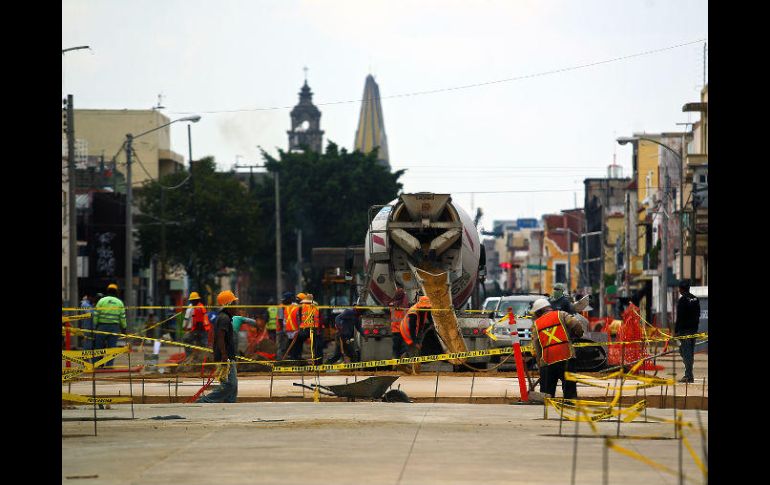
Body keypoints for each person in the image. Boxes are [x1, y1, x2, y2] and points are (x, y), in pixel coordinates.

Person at [529, 298, 584, 400]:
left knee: (547, 396)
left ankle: (548, 413)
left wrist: (541, 366)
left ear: (538, 312)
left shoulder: (536, 325)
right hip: (566, 357)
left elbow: (537, 348)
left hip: (548, 362)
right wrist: (578, 334)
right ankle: (569, 411)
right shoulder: (561, 314)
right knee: (570, 393)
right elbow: (576, 324)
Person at [197, 290, 239, 403]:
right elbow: (220, 337)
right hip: (225, 357)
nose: (237, 307)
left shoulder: (225, 317)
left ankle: (230, 405)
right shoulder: (224, 318)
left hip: (228, 356)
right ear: (228, 305)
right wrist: (224, 355)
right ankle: (204, 401)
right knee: (229, 385)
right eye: (234, 304)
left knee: (233, 386)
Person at [92, 283, 127, 367]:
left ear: (107, 291)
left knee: (98, 347)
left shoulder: (101, 301)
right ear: (116, 292)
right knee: (112, 348)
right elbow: (122, 317)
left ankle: (97, 364)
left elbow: (96, 315)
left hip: (101, 326)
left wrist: (94, 327)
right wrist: (124, 328)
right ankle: (109, 365)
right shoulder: (119, 303)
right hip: (114, 328)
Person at [675, 279, 700, 383]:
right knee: (687, 352)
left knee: (686, 352)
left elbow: (679, 317)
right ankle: (689, 374)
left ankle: (689, 376)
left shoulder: (682, 301)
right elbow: (698, 315)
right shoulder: (695, 299)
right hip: (693, 330)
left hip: (685, 331)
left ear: (681, 289)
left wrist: (676, 331)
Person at [295, 293, 324, 365]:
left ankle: (297, 359)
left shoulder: (300, 307)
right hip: (314, 329)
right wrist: (320, 330)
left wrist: (298, 328)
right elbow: (320, 319)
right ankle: (318, 362)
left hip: (303, 329)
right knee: (317, 346)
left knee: (298, 343)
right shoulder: (316, 307)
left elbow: (298, 318)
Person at [389, 288, 409, 358]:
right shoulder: (405, 306)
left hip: (395, 330)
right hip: (403, 330)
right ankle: (403, 364)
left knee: (395, 349)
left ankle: (395, 364)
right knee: (404, 349)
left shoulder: (392, 305)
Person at [276, 292, 294, 360]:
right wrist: (282, 330)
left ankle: (287, 358)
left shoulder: (291, 306)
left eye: (285, 299)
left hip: (289, 329)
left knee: (288, 345)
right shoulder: (282, 307)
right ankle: (280, 360)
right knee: (282, 346)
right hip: (282, 330)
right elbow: (280, 319)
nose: (283, 301)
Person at [284, 294, 303, 361]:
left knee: (291, 344)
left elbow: (285, 320)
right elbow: (298, 318)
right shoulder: (298, 307)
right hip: (295, 329)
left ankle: (293, 357)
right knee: (296, 345)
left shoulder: (287, 307)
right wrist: (300, 327)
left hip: (289, 329)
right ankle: (296, 358)